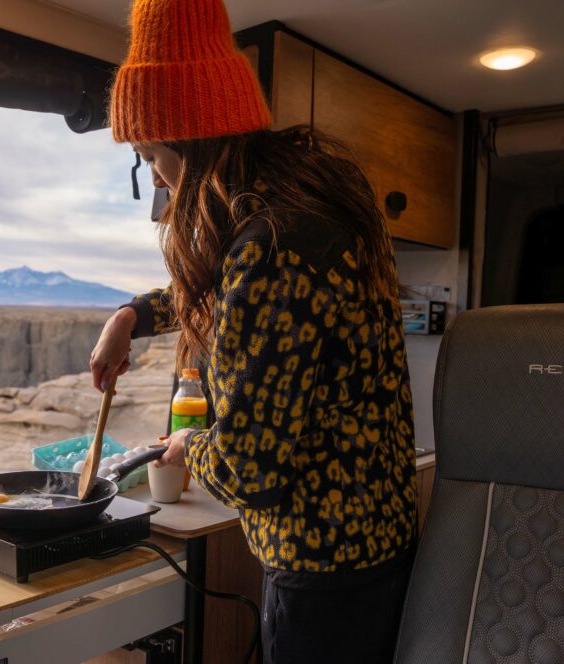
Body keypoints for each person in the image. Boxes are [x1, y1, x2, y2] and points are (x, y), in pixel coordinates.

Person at [89, 1, 418, 661]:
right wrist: (133, 315)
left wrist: (188, 443)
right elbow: (231, 295)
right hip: (370, 536)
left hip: (326, 562)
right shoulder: (304, 198)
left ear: (194, 136)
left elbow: (252, 466)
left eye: (152, 152)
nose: (153, 174)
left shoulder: (271, 243)